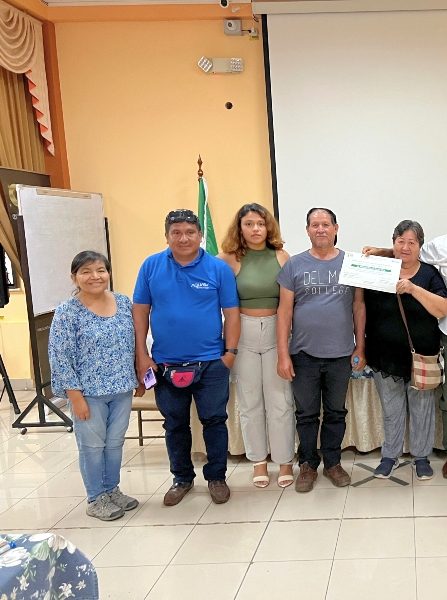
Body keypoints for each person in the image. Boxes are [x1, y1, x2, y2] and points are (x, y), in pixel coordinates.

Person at [365, 193, 447, 480]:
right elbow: (402, 255)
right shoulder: (438, 248)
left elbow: (439, 301)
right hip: (445, 337)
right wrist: (379, 252)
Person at [133, 209, 240, 506]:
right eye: (176, 232)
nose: (183, 238)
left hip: (211, 363)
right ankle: (181, 478)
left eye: (190, 232)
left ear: (200, 235)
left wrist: (229, 354)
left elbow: (231, 314)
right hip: (165, 363)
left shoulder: (218, 269)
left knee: (215, 421)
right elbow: (140, 312)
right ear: (166, 235)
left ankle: (217, 477)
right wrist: (141, 355)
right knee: (175, 424)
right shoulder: (151, 266)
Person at [276, 207, 366, 493]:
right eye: (314, 225)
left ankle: (333, 463)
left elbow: (358, 306)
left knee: (336, 413)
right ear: (307, 230)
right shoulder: (294, 265)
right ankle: (307, 465)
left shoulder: (351, 263)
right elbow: (284, 311)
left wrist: (360, 346)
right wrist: (282, 354)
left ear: (336, 228)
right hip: (303, 355)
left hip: (340, 353)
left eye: (326, 224)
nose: (320, 229)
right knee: (306, 414)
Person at [49, 251, 142, 521]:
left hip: (122, 387)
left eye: (100, 270)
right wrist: (74, 396)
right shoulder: (68, 312)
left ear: (108, 273)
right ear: (74, 277)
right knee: (92, 446)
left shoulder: (123, 302)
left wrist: (138, 376)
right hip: (88, 393)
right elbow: (60, 355)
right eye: (86, 271)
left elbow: (135, 342)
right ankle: (95, 497)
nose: (95, 277)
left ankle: (112, 489)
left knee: (114, 444)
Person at [364, 220, 447, 481]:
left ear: (420, 246)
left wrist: (413, 289)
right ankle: (390, 456)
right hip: (384, 356)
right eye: (400, 241)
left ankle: (421, 457)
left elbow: (443, 309)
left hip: (421, 356)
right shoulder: (380, 270)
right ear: (393, 244)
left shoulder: (429, 274)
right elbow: (360, 305)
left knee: (422, 408)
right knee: (391, 410)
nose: (405, 247)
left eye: (412, 242)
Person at [219, 203, 295, 489]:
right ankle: (259, 462)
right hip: (243, 333)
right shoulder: (226, 259)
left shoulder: (281, 257)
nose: (255, 229)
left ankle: (285, 461)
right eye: (249, 224)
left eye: (260, 224)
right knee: (250, 403)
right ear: (240, 227)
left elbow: (291, 303)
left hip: (277, 332)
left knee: (280, 401)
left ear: (268, 227)